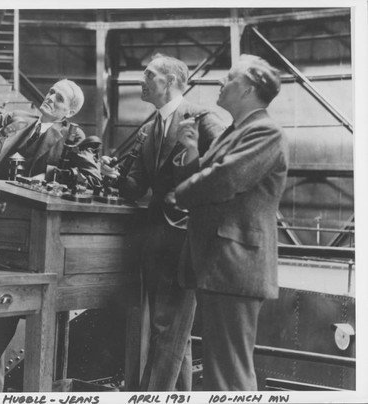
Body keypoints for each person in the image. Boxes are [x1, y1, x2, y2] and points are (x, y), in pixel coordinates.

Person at [0, 44, 98, 392]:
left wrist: (47, 176)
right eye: (51, 92)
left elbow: (91, 178)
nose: (50, 97)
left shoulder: (73, 137)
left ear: (68, 114)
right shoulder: (15, 121)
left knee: (2, 319)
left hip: (31, 239)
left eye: (60, 98)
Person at [101, 54, 224, 391]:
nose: (141, 80)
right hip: (157, 241)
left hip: (188, 241)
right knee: (171, 334)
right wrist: (110, 175)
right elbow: (135, 187)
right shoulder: (152, 127)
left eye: (149, 75)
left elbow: (226, 169)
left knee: (168, 331)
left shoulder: (202, 118)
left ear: (169, 81)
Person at [173, 54, 289, 390]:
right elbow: (204, 178)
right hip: (218, 264)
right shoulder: (235, 132)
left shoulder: (266, 132)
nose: (220, 83)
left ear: (249, 88)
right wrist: (192, 150)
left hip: (235, 265)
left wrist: (180, 192)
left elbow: (223, 180)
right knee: (220, 370)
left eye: (229, 79)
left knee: (230, 375)